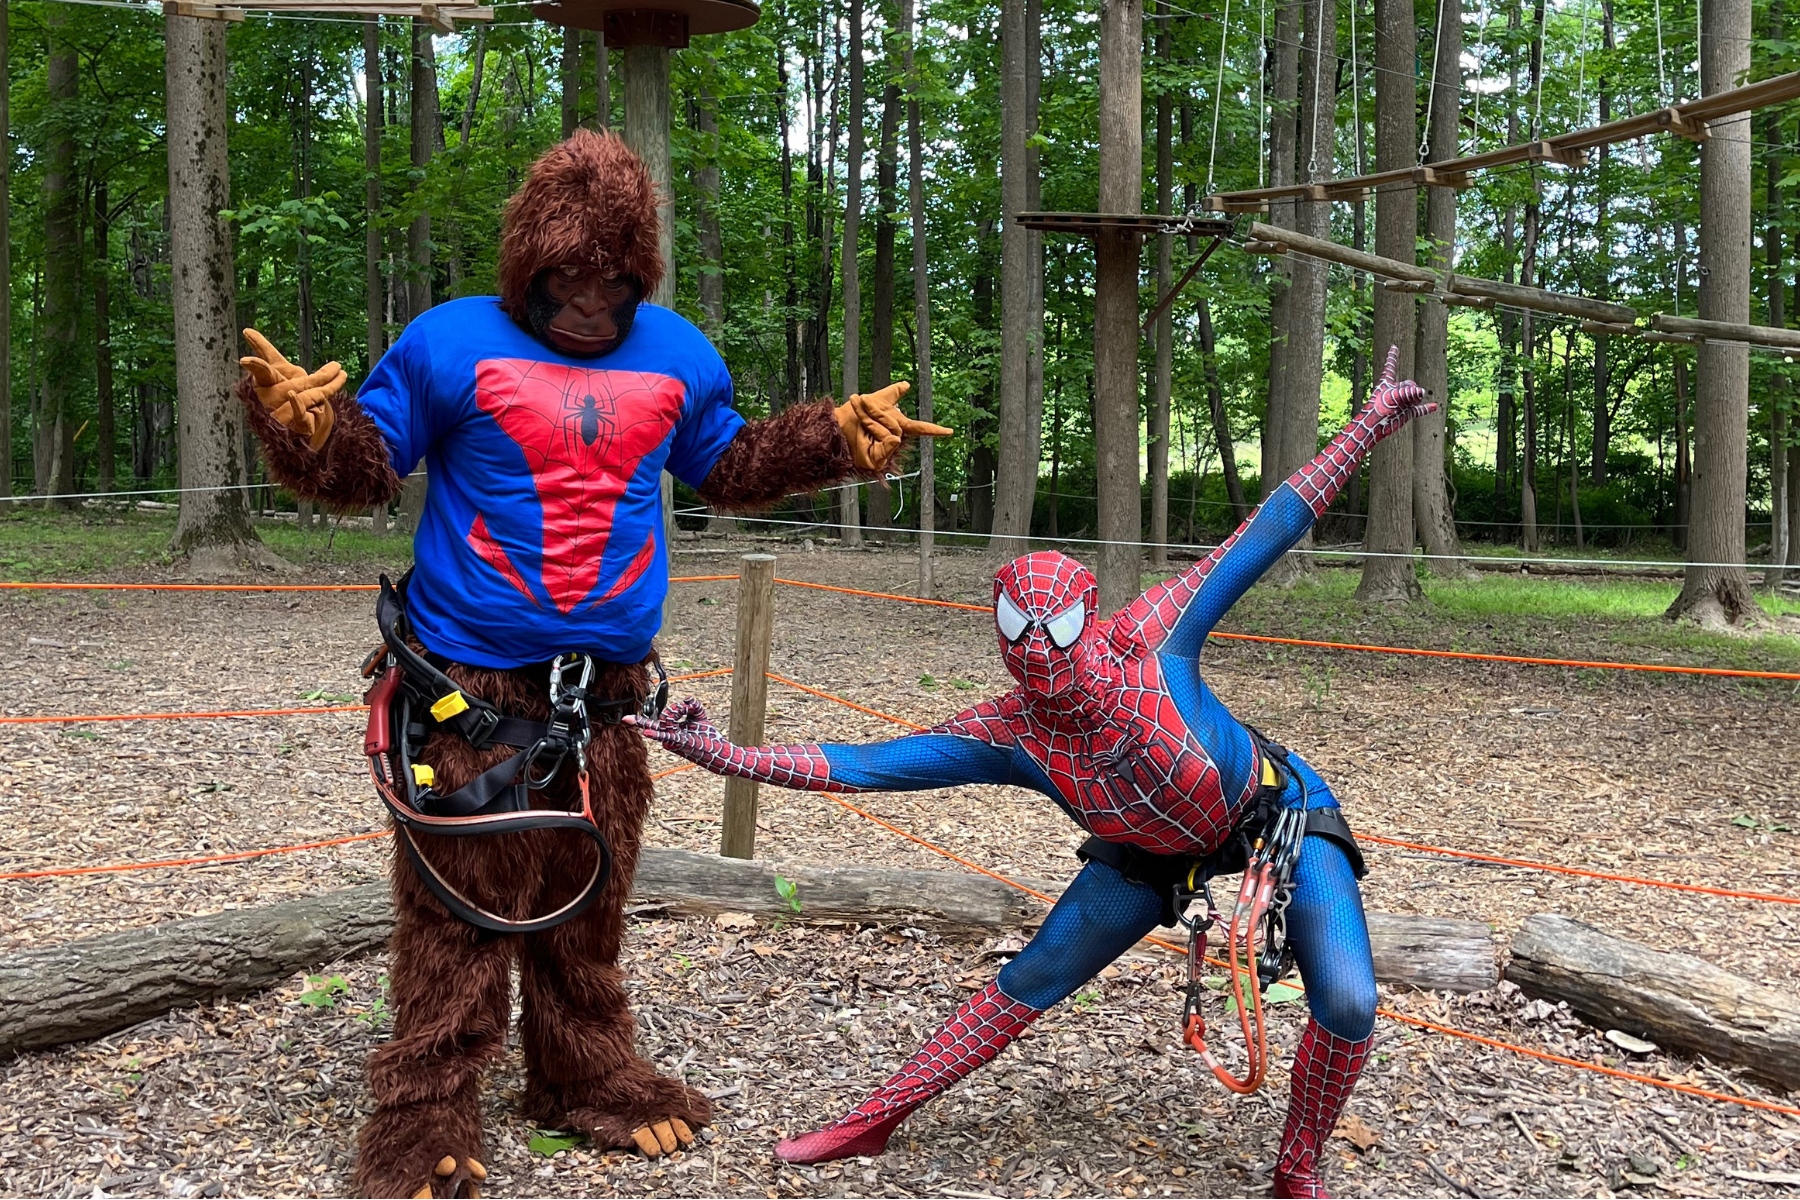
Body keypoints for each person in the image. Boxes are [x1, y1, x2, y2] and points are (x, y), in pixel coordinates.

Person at [236, 129, 949, 1199]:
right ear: (528, 267)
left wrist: (831, 441)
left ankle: (584, 1075)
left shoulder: (675, 351)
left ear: (638, 274)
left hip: (605, 697)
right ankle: (422, 1116)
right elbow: (367, 467)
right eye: (563, 279)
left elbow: (727, 461)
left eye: (609, 281)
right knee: (458, 908)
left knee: (590, 893)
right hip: (468, 686)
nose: (585, 302)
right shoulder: (446, 342)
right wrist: (303, 431)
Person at [640, 347, 1433, 1199]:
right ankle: (873, 1120)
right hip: (1145, 849)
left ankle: (1297, 1167)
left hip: (1274, 814)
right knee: (1031, 980)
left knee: (1347, 1001)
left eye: (1054, 626)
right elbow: (859, 767)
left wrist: (1368, 423)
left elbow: (1268, 528)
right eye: (1016, 627)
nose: (1036, 648)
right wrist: (718, 750)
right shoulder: (1007, 730)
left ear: (1088, 615)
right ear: (994, 626)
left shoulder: (1155, 636)